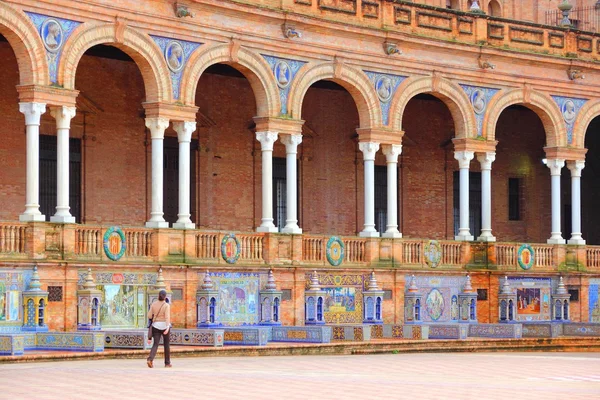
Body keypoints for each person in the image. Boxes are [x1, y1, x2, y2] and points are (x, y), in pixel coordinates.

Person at [146, 289, 171, 368]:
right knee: (166, 345)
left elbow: (149, 316)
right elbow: (167, 317)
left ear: (158, 296)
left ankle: (150, 359)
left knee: (155, 344)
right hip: (164, 326)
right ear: (165, 297)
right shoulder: (166, 305)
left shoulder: (153, 304)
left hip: (155, 326)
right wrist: (167, 327)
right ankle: (167, 363)